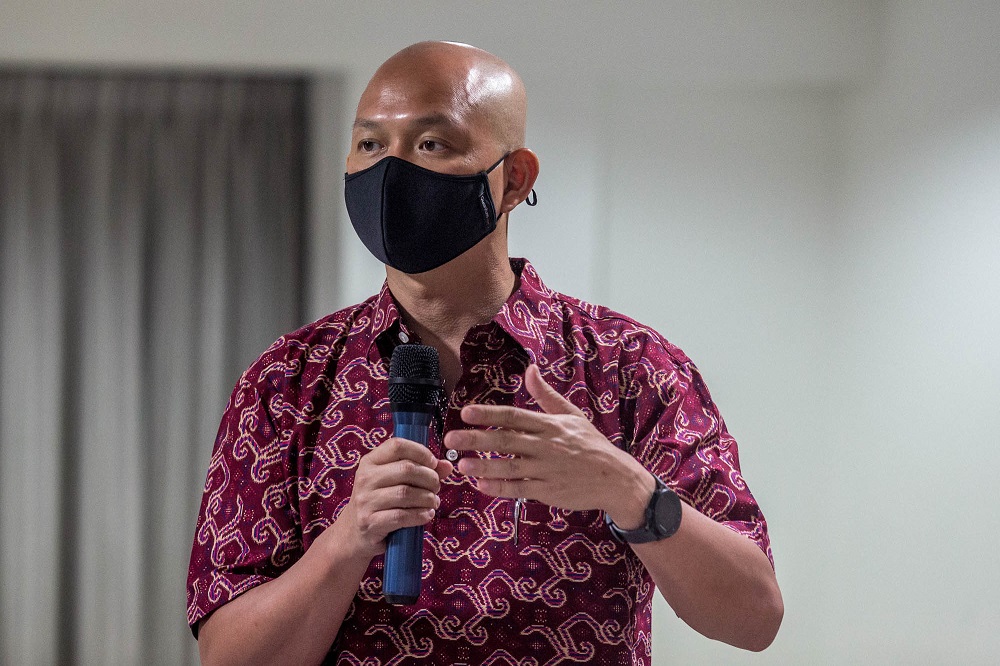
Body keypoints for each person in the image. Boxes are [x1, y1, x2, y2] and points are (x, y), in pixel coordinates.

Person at [187, 41, 783, 666]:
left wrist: (628, 488)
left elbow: (753, 616)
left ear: (514, 179)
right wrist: (348, 538)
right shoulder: (287, 382)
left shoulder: (630, 368)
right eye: (370, 145)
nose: (391, 171)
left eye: (430, 145)